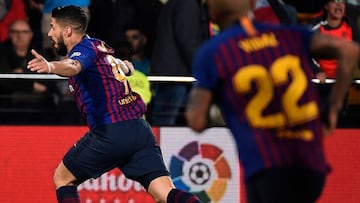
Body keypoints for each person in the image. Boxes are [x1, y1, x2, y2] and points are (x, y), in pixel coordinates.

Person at [185, 0, 360, 202]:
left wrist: (223, 107)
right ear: (252, 5)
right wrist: (333, 106)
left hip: (267, 165)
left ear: (210, 13)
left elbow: (196, 120)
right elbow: (350, 50)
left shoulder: (213, 52)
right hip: (311, 165)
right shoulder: (289, 34)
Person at [26, 5, 201, 203]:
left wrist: (50, 66)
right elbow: (118, 69)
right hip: (139, 130)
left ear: (67, 31)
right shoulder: (99, 46)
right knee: (165, 194)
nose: (49, 33)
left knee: (63, 179)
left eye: (52, 26)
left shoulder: (83, 50)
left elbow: (73, 66)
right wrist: (125, 68)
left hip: (111, 130)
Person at [150, 0, 210, 126]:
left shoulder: (183, 3)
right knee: (166, 124)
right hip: (176, 76)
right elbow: (188, 41)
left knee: (169, 124)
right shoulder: (188, 4)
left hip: (174, 73)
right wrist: (203, 70)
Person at [0, 19, 56, 124]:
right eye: (15, 32)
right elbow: (4, 82)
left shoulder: (41, 55)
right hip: (9, 108)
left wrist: (20, 74)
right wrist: (33, 85)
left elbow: (48, 86)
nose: (19, 35)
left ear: (30, 35)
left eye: (24, 32)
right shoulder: (2, 55)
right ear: (9, 34)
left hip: (40, 108)